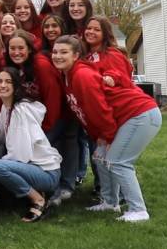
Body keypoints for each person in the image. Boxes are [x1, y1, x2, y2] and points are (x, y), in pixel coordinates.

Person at [52, 36, 161, 222]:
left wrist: (108, 137)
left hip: (139, 114)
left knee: (119, 161)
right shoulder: (68, 75)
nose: (58, 56)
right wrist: (101, 137)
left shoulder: (81, 76)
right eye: (55, 52)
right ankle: (110, 202)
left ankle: (138, 210)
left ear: (76, 55)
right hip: (124, 118)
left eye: (64, 52)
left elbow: (99, 110)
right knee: (99, 157)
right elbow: (88, 114)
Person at [0, 67, 62, 222]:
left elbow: (21, 154)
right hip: (32, 167)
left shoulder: (20, 110)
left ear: (15, 86)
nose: (2, 85)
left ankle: (38, 200)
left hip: (46, 173)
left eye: (8, 82)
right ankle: (31, 194)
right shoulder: (7, 107)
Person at [81, 16, 135, 88]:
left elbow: (122, 76)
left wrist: (111, 78)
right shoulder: (83, 55)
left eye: (97, 30)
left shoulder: (113, 55)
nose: (91, 32)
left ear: (105, 34)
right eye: (89, 28)